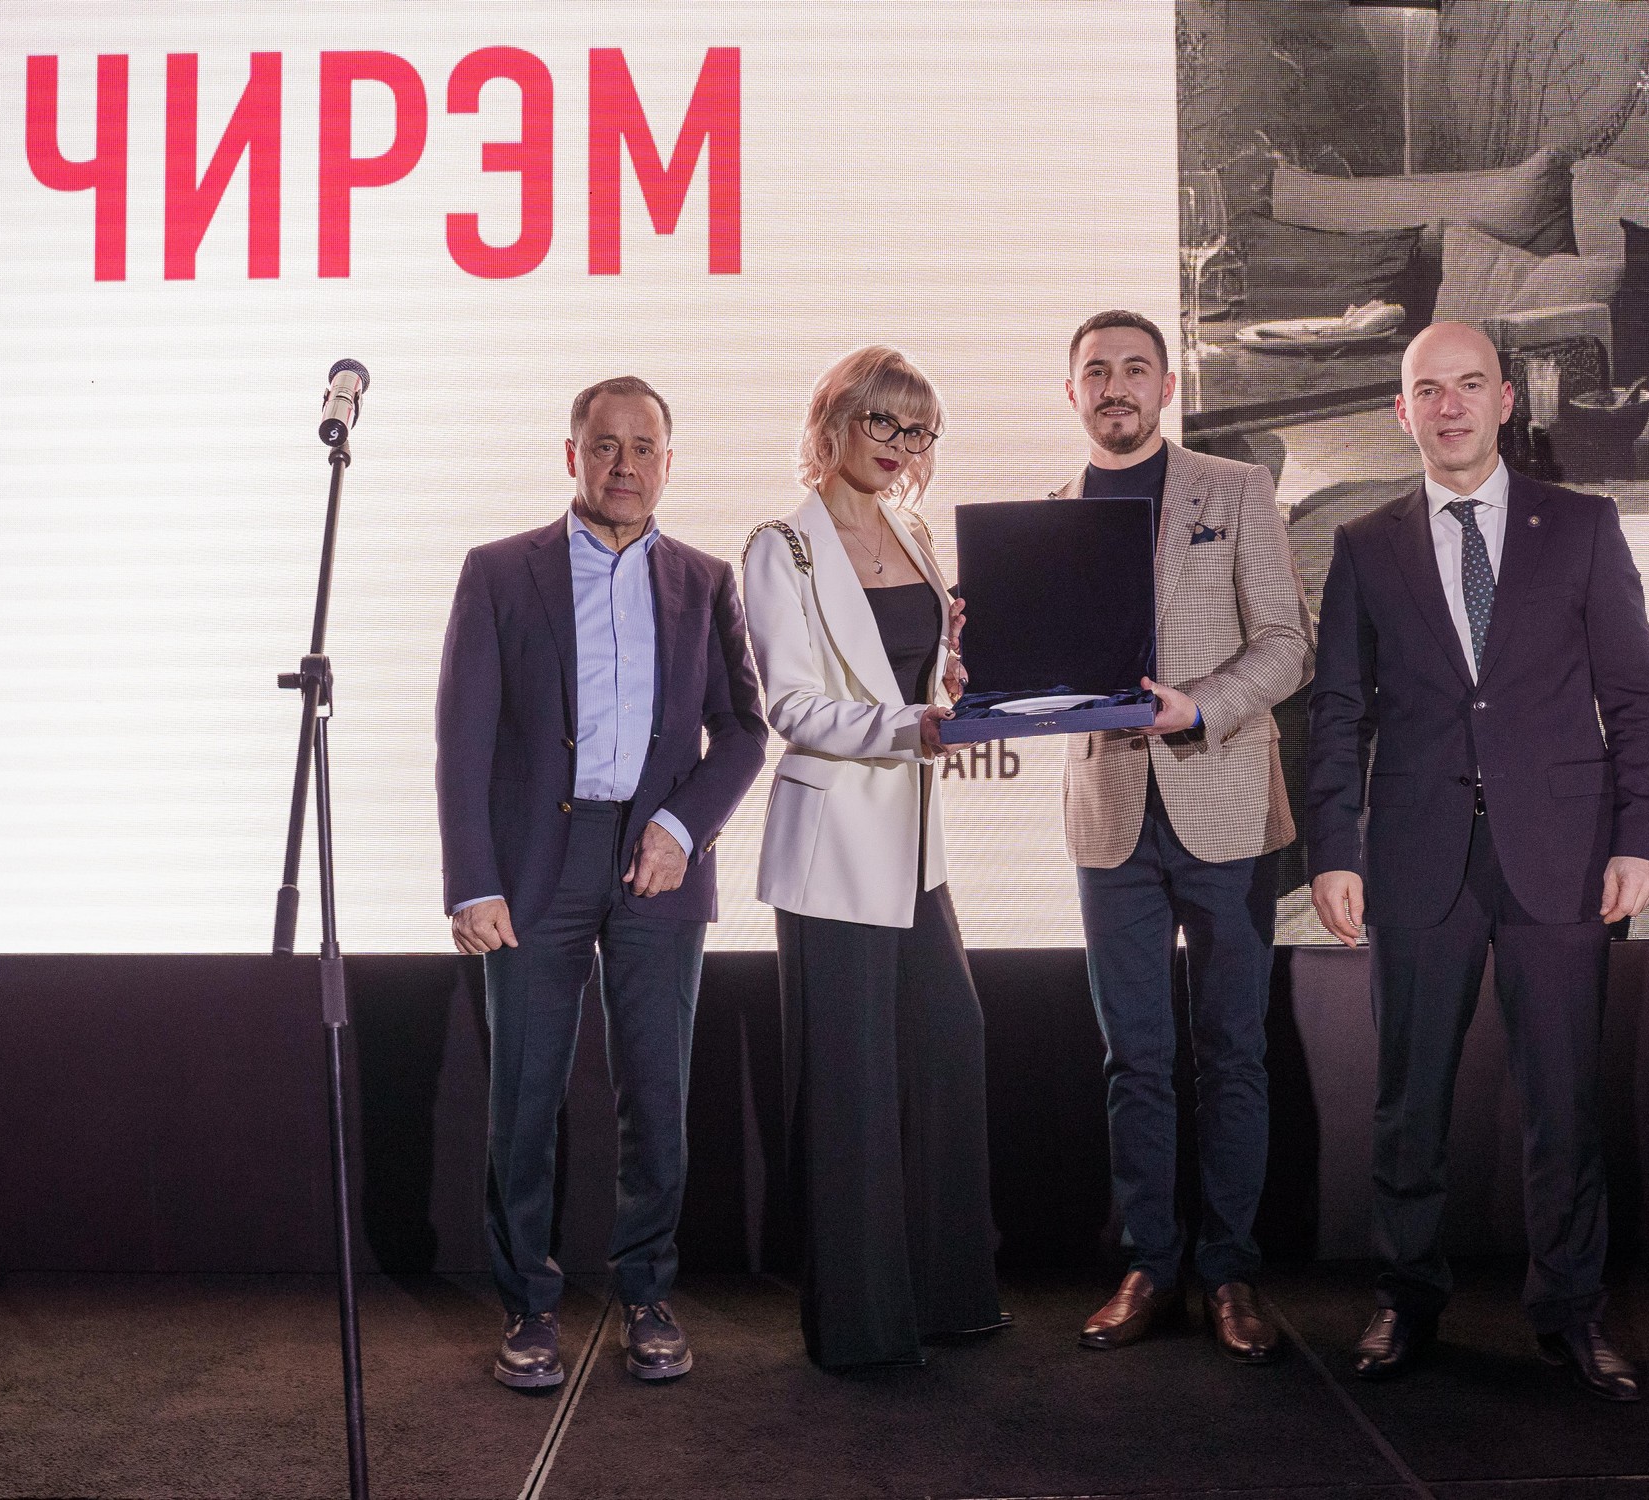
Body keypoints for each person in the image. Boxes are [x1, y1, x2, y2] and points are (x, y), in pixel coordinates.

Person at [1304, 322, 1649, 1402]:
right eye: (1428, 389)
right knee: (1406, 1101)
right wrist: (1333, 849)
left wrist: (1640, 838)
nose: (1450, 406)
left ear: (1506, 400)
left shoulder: (1584, 527)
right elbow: (1336, 713)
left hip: (1560, 854)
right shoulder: (1363, 545)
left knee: (1564, 1099)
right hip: (1414, 855)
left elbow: (1633, 699)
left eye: (1469, 385)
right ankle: (1404, 1298)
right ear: (1401, 411)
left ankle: (1570, 1311)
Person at [436, 377, 767, 1388]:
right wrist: (471, 881)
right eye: (605, 445)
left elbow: (743, 731)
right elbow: (463, 737)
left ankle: (646, 1294)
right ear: (571, 455)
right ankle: (528, 1305)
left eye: (643, 447)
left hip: (657, 865)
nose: (625, 465)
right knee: (524, 1096)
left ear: (668, 462)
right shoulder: (500, 572)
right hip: (537, 864)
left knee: (655, 1093)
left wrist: (681, 826)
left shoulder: (705, 581)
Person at [1049, 310, 1314, 1364]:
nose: (1113, 386)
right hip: (1109, 815)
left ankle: (1230, 1272)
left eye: (1133, 369)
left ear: (1166, 387)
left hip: (1226, 803)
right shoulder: (1048, 515)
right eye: (1095, 371)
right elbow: (1044, 675)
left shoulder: (1234, 488)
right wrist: (987, 671)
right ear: (1071, 392)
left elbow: (1287, 644)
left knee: (1233, 1052)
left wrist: (1198, 707)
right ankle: (1149, 1266)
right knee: (1134, 1058)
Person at [740, 344, 1003, 1371]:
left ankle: (943, 1297)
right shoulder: (781, 548)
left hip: (912, 843)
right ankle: (858, 1325)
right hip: (832, 848)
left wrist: (952, 681)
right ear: (835, 420)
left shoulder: (915, 531)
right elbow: (793, 707)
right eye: (883, 421)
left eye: (918, 429)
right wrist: (911, 727)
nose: (900, 445)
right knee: (850, 1085)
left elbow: (917, 678)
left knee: (948, 1045)